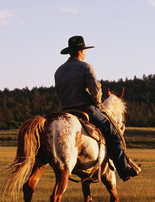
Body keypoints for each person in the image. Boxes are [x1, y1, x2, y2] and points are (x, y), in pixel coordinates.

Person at [54, 35, 140, 181]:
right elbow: (96, 89)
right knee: (113, 133)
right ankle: (123, 169)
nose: (85, 53)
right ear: (81, 52)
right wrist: (98, 103)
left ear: (70, 52)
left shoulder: (59, 70)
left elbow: (59, 93)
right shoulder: (85, 67)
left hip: (66, 110)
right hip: (86, 109)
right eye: (84, 51)